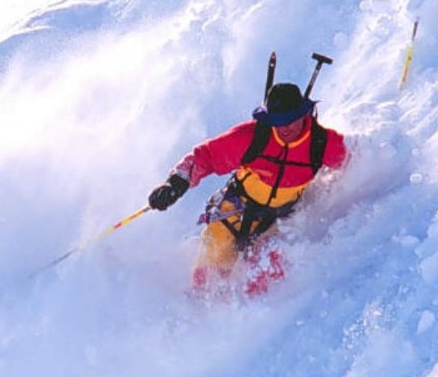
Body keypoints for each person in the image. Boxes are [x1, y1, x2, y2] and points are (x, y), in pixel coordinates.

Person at [147, 82, 347, 295]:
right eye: (277, 122)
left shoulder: (321, 143)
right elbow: (205, 156)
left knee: (268, 271)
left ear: (303, 114)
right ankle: (201, 315)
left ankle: (254, 320)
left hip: (278, 221)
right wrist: (175, 183)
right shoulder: (253, 137)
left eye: (289, 120)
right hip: (235, 212)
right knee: (206, 278)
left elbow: (355, 162)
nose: (284, 128)